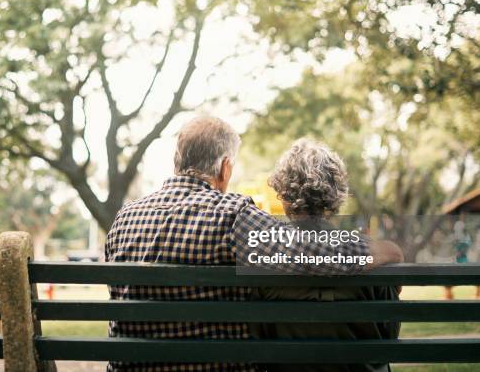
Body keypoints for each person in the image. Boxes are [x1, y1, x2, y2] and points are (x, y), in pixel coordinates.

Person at [105, 117, 403, 372]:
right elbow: (314, 250)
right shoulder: (231, 215)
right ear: (225, 169)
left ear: (178, 162)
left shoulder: (124, 218)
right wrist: (381, 249)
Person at [252, 138, 401, 372]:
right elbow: (389, 336)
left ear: (284, 194)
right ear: (335, 194)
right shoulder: (372, 255)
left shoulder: (265, 253)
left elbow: (259, 337)